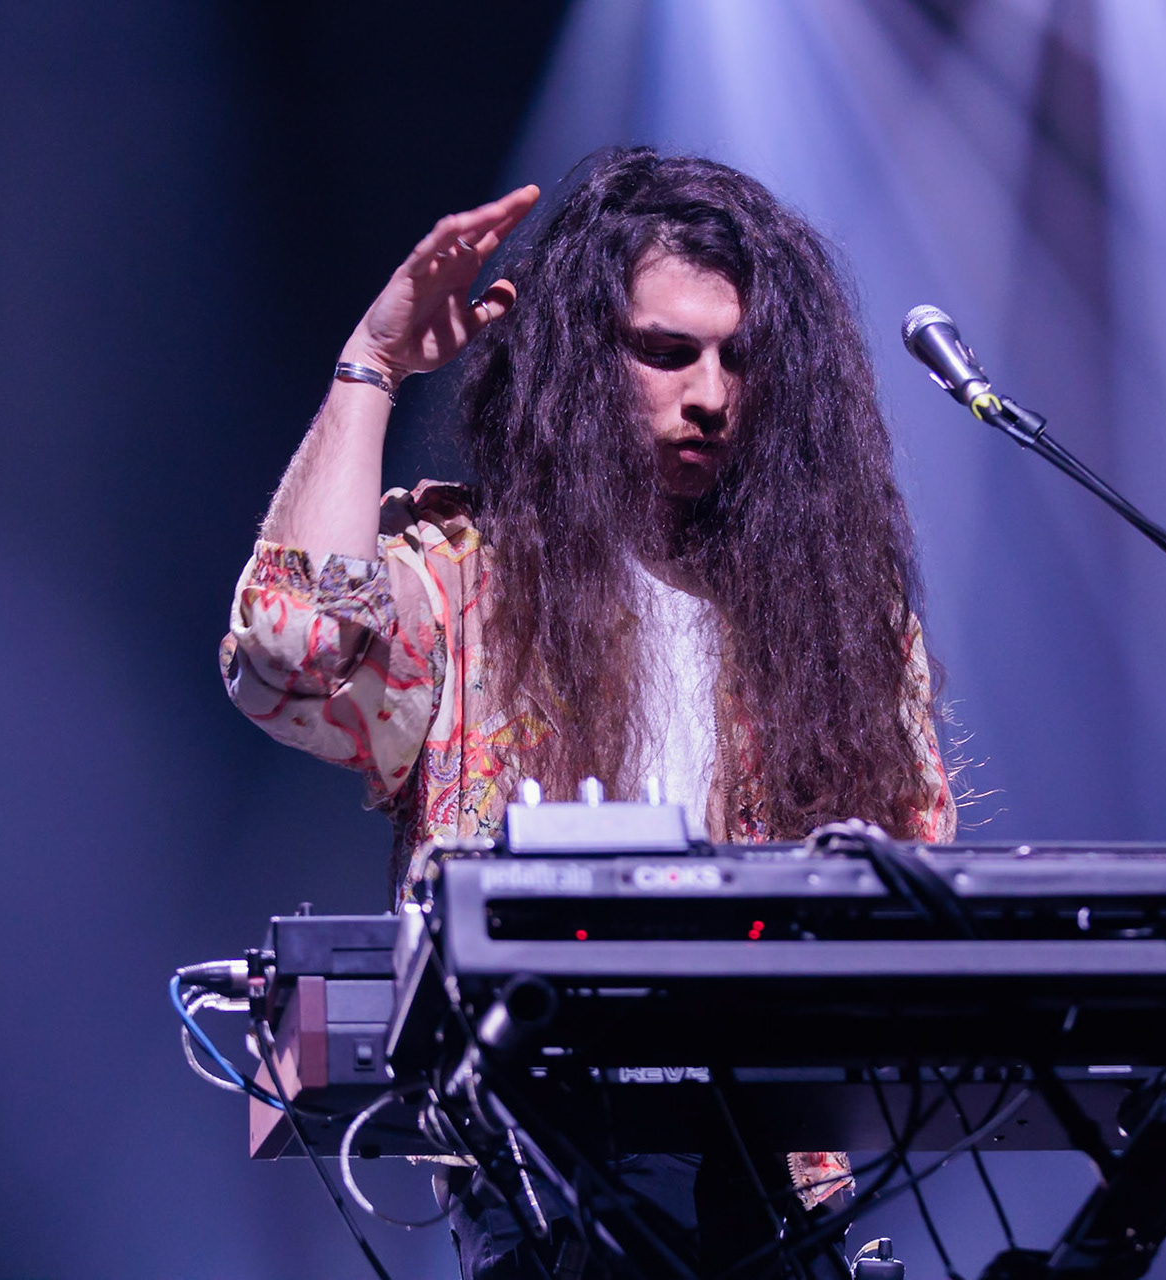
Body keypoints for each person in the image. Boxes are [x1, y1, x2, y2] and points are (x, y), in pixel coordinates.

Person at [220, 149, 956, 1277]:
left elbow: (913, 881)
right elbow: (290, 648)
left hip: (779, 1172)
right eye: (665, 352)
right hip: (544, 1142)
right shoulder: (468, 588)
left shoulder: (841, 623)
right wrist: (370, 366)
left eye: (738, 359)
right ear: (580, 361)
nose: (709, 392)